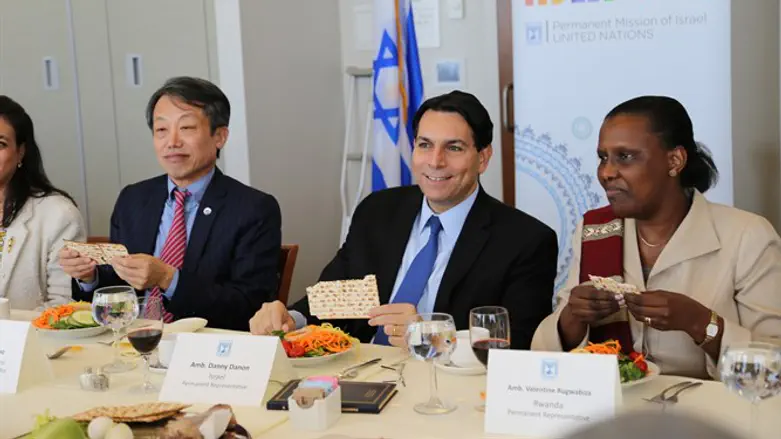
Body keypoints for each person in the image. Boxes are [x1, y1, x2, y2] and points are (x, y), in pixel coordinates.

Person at [250, 90, 557, 349]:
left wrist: (434, 336)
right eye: (424, 145)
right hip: (363, 371)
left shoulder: (525, 240)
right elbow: (338, 296)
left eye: (454, 148)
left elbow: (519, 344)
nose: (435, 161)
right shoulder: (379, 211)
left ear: (483, 158)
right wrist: (292, 318)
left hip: (452, 390)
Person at [532, 96, 781, 378]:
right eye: (603, 158)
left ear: (675, 161)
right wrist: (572, 318)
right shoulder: (594, 229)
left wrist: (699, 322)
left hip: (709, 416)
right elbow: (543, 361)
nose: (606, 173)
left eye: (625, 157)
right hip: (613, 413)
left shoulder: (747, 236)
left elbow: (773, 366)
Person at [60, 77, 281, 331]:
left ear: (219, 136)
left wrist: (168, 278)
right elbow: (118, 286)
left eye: (186, 128)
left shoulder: (253, 209)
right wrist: (90, 277)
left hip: (208, 350)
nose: (172, 142)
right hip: (134, 341)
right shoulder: (133, 199)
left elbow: (249, 306)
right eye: (161, 130)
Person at [0, 96, 86, 310]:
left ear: (21, 151)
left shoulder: (58, 214)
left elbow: (64, 304)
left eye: (0, 144)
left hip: (26, 340)